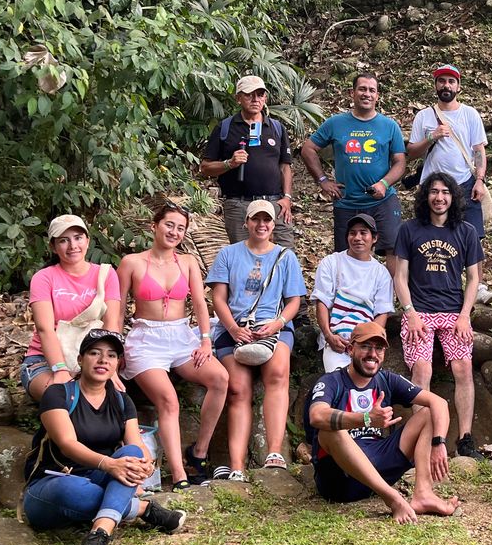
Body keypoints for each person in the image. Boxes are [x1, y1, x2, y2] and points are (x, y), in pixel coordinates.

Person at [21, 330, 187, 545]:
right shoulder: (58, 394)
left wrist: (144, 463)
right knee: (73, 489)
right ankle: (142, 509)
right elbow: (68, 443)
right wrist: (109, 465)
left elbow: (136, 445)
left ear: (117, 364)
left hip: (100, 478)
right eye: (94, 353)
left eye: (111, 355)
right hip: (52, 485)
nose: (103, 360)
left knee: (133, 454)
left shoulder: (121, 400)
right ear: (80, 359)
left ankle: (99, 535)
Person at [116, 205, 228, 490]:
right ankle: (179, 474)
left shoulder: (187, 261)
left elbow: (201, 303)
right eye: (169, 225)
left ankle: (199, 452)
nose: (174, 232)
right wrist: (114, 348)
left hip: (181, 337)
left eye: (180, 228)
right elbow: (116, 309)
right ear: (154, 226)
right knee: (168, 400)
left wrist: (205, 340)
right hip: (146, 340)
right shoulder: (131, 262)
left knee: (220, 378)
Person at [307, 322, 460, 524]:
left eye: (378, 348)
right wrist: (367, 418)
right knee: (329, 430)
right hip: (341, 480)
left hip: (379, 463)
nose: (373, 353)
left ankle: (423, 493)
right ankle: (393, 499)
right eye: (365, 347)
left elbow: (438, 403)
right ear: (350, 349)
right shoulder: (331, 381)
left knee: (429, 413)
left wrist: (438, 443)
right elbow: (316, 416)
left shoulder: (387, 380)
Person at [205, 200, 307, 481]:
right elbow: (219, 299)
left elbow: (294, 301)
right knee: (238, 388)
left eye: (267, 220)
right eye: (255, 219)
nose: (261, 225)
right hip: (234, 327)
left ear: (274, 224)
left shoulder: (286, 256)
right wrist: (234, 329)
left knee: (277, 374)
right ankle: (237, 465)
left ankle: (275, 451)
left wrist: (277, 323)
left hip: (273, 325)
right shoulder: (228, 254)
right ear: (246, 222)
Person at [393, 173, 485, 459]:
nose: (440, 197)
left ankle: (465, 438)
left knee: (463, 369)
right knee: (422, 370)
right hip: (419, 311)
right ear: (425, 196)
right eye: (434, 191)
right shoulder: (409, 230)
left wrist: (464, 316)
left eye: (445, 192)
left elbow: (473, 279)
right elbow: (400, 276)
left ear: (453, 197)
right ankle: (425, 434)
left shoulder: (466, 231)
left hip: (453, 312)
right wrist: (410, 314)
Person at [300, 73, 406, 268]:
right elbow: (308, 149)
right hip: (347, 201)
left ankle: (391, 296)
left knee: (393, 248)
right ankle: (349, 296)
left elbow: (400, 162)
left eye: (371, 90)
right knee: (346, 253)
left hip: (382, 200)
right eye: (362, 89)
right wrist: (323, 180)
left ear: (377, 96)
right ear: (352, 92)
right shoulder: (336, 123)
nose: (367, 94)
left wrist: (384, 183)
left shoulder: (389, 126)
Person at [22, 215, 123, 401]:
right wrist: (59, 369)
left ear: (88, 241)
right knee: (63, 398)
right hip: (44, 361)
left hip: (92, 359)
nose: (73, 246)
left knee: (114, 401)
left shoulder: (106, 275)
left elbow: (111, 325)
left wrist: (111, 369)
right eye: (63, 240)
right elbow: (45, 329)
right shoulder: (44, 278)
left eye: (78, 237)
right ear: (53, 246)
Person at [199, 74, 294, 247]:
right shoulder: (225, 127)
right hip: (239, 204)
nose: (255, 99)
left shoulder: (277, 128)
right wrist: (229, 163)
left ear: (265, 98)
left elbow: (285, 166)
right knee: (244, 257)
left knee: (284, 255)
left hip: (274, 203)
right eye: (249, 95)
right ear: (238, 98)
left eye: (260, 94)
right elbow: (205, 168)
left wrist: (287, 197)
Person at [406, 64, 490, 239]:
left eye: (451, 81)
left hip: (465, 184)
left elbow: (478, 150)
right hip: (432, 188)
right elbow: (411, 152)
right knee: (433, 239)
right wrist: (432, 137)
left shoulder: (470, 114)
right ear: (436, 85)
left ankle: (474, 269)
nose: (446, 85)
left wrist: (480, 180)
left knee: (472, 240)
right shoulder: (423, 116)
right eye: (442, 81)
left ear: (458, 87)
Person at [311, 213, 394, 373]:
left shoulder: (381, 273)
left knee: (364, 387)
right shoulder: (331, 262)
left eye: (363, 233)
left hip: (365, 341)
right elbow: (321, 302)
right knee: (340, 382)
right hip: (337, 339)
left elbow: (382, 313)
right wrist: (328, 336)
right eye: (352, 233)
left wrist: (368, 341)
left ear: (374, 238)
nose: (357, 238)